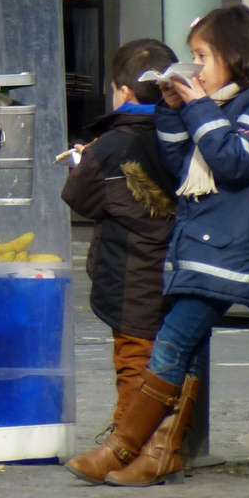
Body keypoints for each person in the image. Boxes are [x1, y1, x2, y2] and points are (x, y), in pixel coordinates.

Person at [67, 4, 249, 487]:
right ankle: (160, 453)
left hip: (228, 251)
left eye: (202, 56)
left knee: (170, 344)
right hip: (197, 247)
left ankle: (123, 446)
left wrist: (195, 107)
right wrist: (174, 112)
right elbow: (182, 169)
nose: (195, 68)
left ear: (235, 55)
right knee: (185, 351)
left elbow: (235, 161)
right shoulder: (223, 103)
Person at [60, 38, 179, 448]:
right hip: (178, 265)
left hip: (129, 271)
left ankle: (130, 444)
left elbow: (81, 198)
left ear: (124, 92)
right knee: (174, 356)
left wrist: (81, 161)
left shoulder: (109, 146)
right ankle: (167, 439)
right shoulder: (183, 132)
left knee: (133, 359)